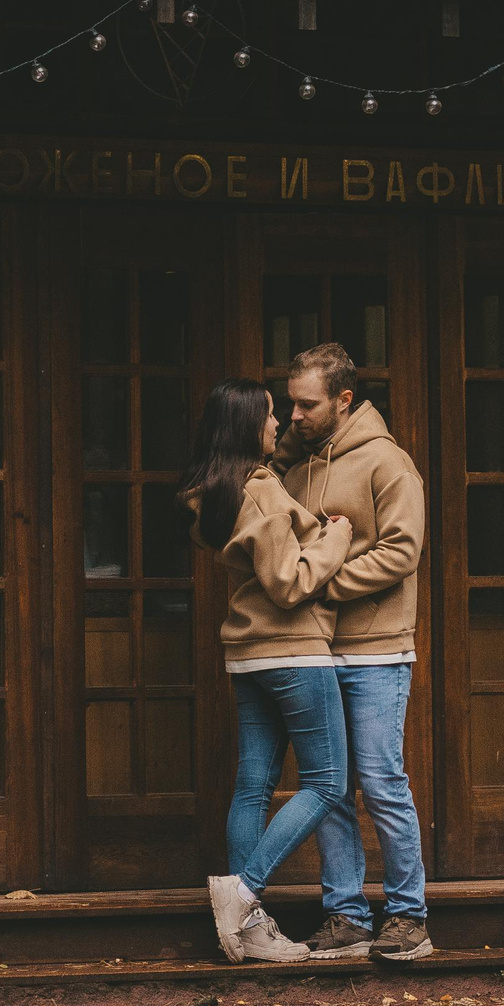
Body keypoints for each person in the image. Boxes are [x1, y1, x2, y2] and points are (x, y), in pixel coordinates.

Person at [183, 376, 353, 965]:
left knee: (253, 787)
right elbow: (288, 583)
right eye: (271, 414)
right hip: (293, 649)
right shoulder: (258, 490)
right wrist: (336, 539)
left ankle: (250, 930)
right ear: (247, 425)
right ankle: (244, 894)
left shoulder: (216, 491)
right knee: (328, 782)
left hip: (249, 653)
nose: (279, 424)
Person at [279, 342, 435, 965]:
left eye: (307, 405)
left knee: (382, 782)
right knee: (330, 789)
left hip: (376, 650)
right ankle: (346, 917)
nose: (294, 415)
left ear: (344, 400)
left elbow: (403, 550)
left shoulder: (387, 462)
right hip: (313, 650)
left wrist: (324, 583)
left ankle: (409, 918)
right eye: (290, 404)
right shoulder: (297, 465)